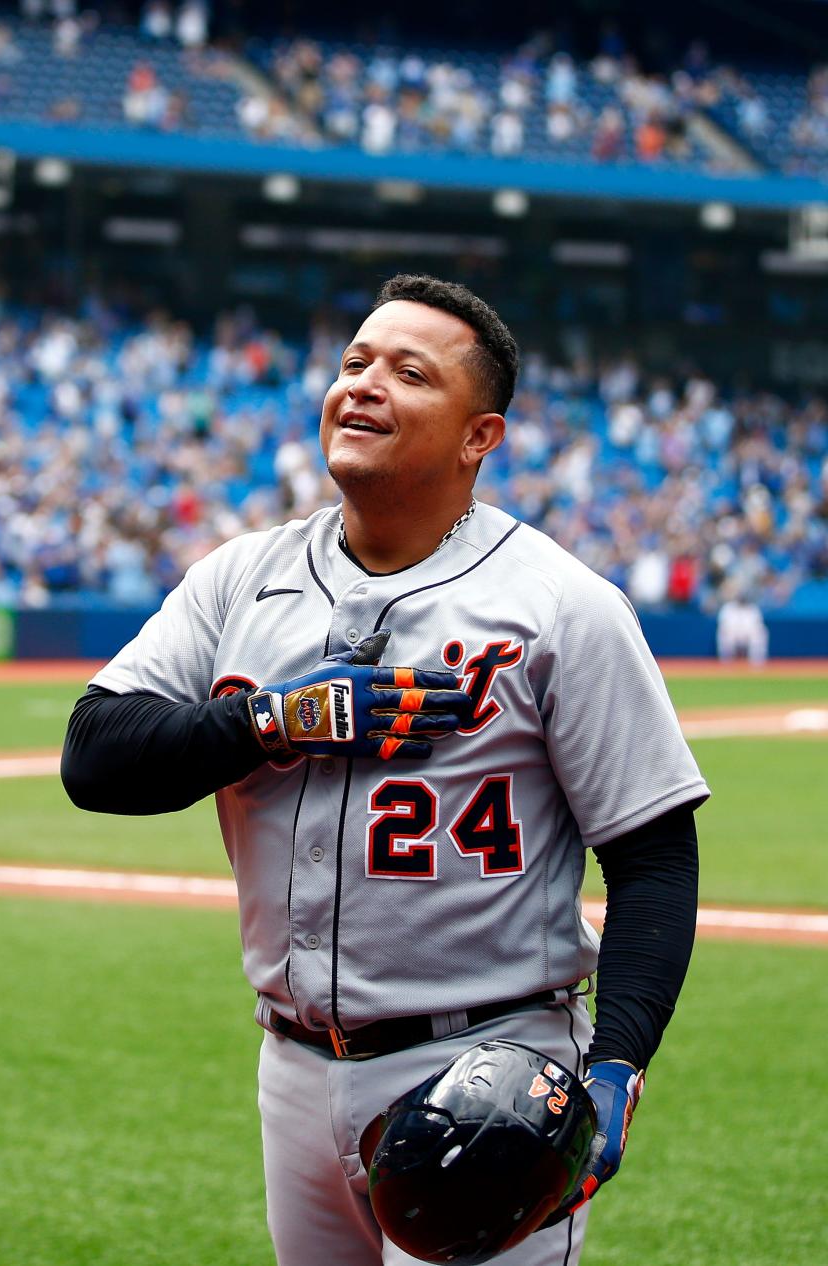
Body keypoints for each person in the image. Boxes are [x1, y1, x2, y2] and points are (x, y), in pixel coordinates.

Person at [62, 274, 709, 1265]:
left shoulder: (561, 607)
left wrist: (618, 1063)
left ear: (477, 437)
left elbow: (654, 854)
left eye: (408, 372)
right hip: (292, 1058)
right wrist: (282, 718)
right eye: (354, 361)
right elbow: (96, 757)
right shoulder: (242, 577)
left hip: (489, 1068)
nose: (362, 385)